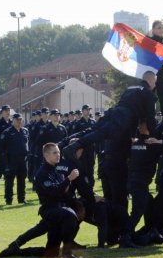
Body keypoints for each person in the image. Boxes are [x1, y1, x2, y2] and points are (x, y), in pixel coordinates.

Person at [62, 71, 158, 211]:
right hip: (124, 120)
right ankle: (75, 145)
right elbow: (150, 117)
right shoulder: (149, 93)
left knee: (95, 130)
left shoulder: (130, 89)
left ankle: (68, 143)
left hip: (114, 113)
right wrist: (153, 135)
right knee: (102, 133)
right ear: (152, 81)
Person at [34, 143, 81, 258]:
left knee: (51, 252)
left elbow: (64, 191)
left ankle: (22, 252)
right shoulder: (42, 173)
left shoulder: (57, 170)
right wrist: (69, 178)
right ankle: (67, 254)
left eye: (59, 152)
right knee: (70, 215)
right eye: (55, 153)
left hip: (59, 207)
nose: (58, 155)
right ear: (46, 155)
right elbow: (54, 192)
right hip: (49, 209)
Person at [0, 113, 29, 205]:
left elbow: (27, 144)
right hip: (11, 160)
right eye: (17, 120)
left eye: (20, 120)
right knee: (9, 181)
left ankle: (21, 198)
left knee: (22, 180)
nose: (19, 121)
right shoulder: (7, 132)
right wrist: (4, 161)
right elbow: (0, 147)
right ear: (13, 120)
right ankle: (8, 200)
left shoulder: (25, 131)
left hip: (23, 160)